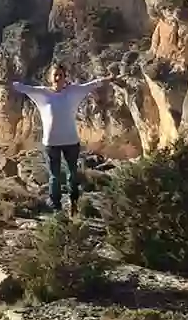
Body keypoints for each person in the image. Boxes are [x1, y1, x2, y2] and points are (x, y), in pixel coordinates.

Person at [10, 64, 116, 215]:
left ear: (65, 77)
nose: (58, 78)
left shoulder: (74, 92)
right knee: (54, 176)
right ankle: (56, 207)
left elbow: (92, 84)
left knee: (72, 174)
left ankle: (73, 203)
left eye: (61, 75)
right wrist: (8, 82)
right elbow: (22, 87)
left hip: (71, 142)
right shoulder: (42, 93)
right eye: (55, 75)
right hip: (51, 144)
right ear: (50, 78)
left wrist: (109, 79)